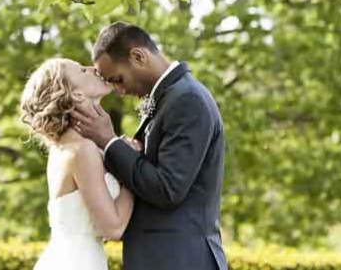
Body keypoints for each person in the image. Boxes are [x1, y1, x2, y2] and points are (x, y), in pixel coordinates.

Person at [70, 22, 228, 270]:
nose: (119, 91)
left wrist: (108, 141)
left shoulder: (188, 100)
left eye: (118, 80)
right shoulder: (170, 98)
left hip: (180, 260)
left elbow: (167, 189)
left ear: (138, 56)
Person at [19, 57, 138, 270]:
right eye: (83, 71)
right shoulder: (81, 150)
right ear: (76, 94)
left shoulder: (71, 146)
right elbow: (114, 228)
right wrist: (133, 165)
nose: (93, 69)